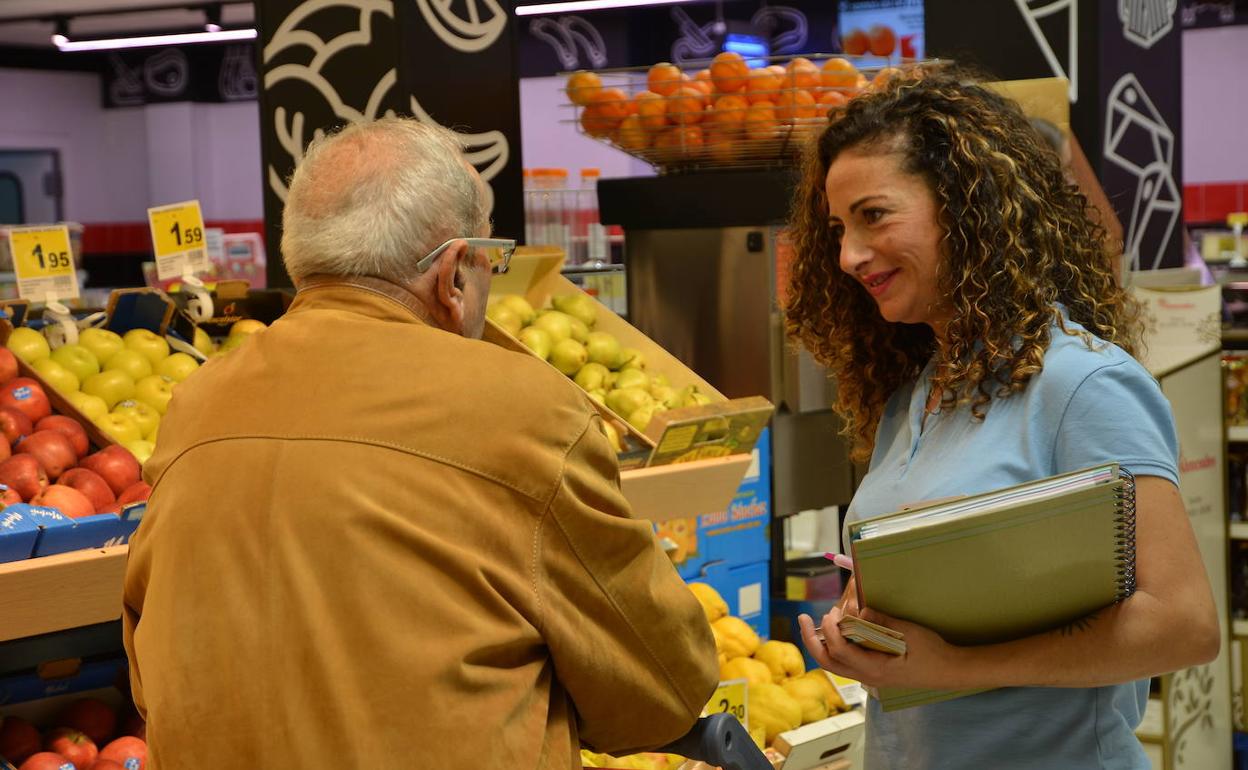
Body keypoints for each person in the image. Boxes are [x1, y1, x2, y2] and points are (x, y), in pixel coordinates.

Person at [122, 117, 718, 769]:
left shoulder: (197, 402)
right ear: (454, 275)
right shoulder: (523, 405)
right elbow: (661, 686)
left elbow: (150, 663)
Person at [785, 70, 1219, 769]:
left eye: (874, 215)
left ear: (964, 208)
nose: (848, 256)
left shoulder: (1082, 384)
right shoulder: (915, 395)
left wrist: (951, 665)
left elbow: (1184, 626)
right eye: (838, 229)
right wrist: (871, 624)